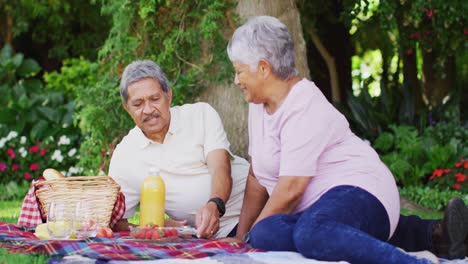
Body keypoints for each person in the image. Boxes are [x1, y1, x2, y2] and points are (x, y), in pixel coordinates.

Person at [224, 15, 468, 263]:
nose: (236, 80)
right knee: (266, 232)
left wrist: (250, 237)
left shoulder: (303, 103)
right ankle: (434, 235)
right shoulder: (257, 105)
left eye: (239, 71)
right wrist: (244, 235)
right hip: (321, 211)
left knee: (311, 232)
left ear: (263, 68)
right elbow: (256, 177)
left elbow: (291, 188)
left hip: (360, 189)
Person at [108, 60, 249, 238]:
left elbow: (220, 167)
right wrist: (156, 226)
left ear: (169, 96)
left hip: (259, 207)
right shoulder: (125, 155)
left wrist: (215, 204)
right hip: (205, 236)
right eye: (138, 104)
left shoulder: (200, 114)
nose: (148, 110)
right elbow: (117, 222)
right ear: (127, 108)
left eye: (155, 99)